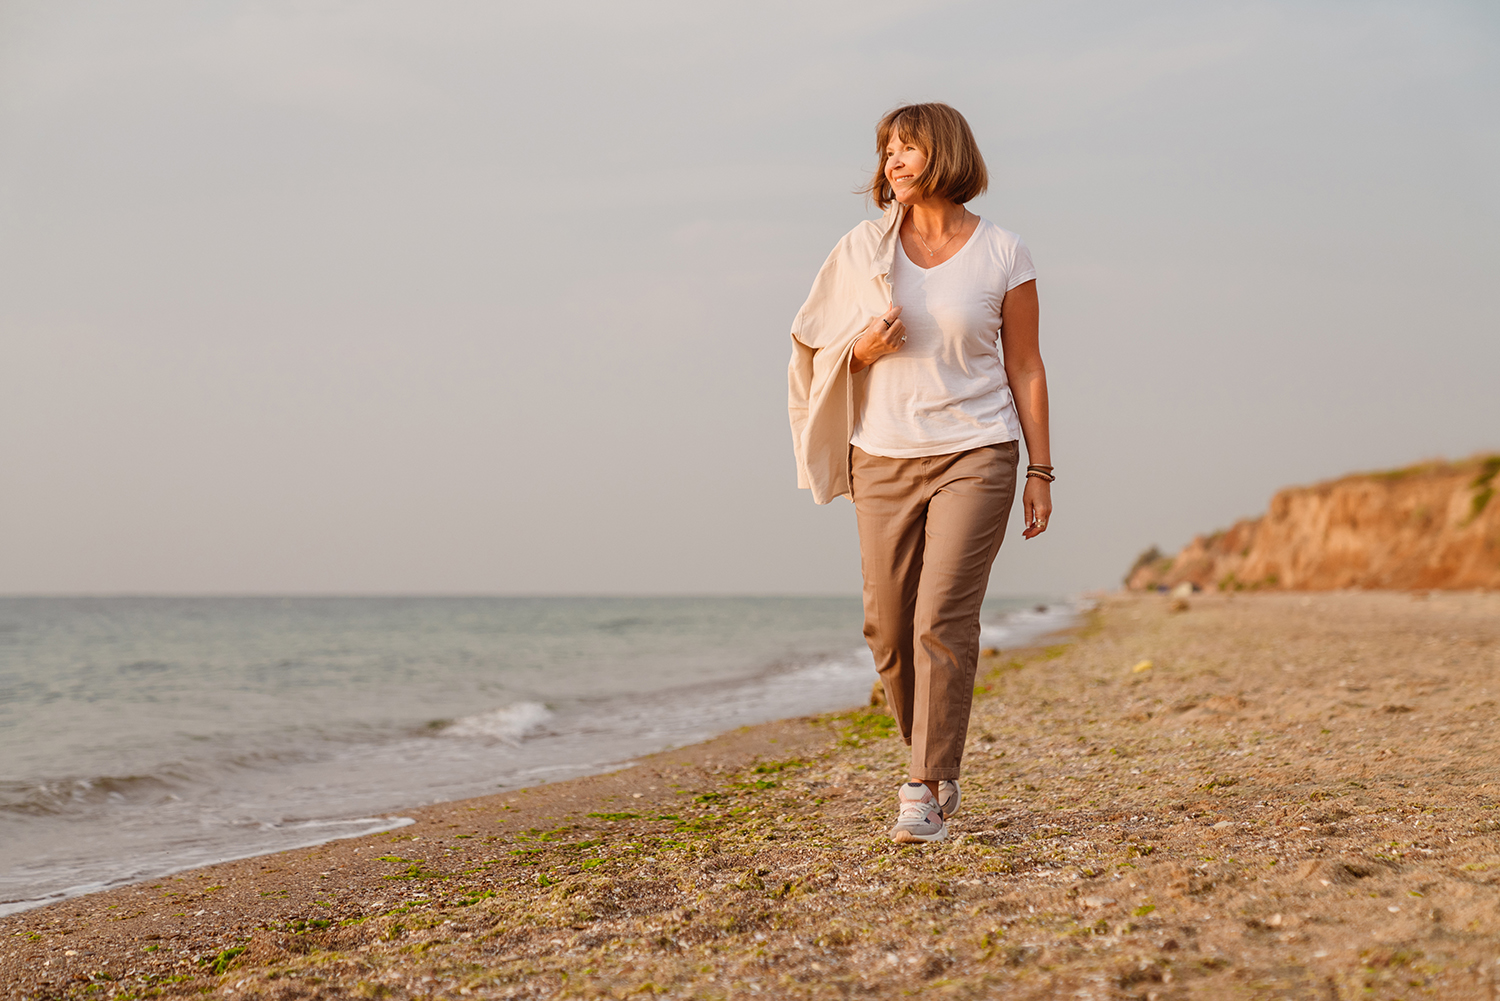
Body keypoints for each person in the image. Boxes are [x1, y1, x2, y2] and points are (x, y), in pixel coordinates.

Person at [787, 102, 1053, 844]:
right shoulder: (861, 249)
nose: (892, 163)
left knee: (941, 616)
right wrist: (861, 353)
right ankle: (933, 758)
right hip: (882, 454)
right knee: (888, 629)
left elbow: (1025, 365)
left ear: (944, 155)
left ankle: (922, 785)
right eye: (886, 152)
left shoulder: (1004, 252)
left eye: (906, 149)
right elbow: (812, 343)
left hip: (979, 450)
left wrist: (1042, 469)